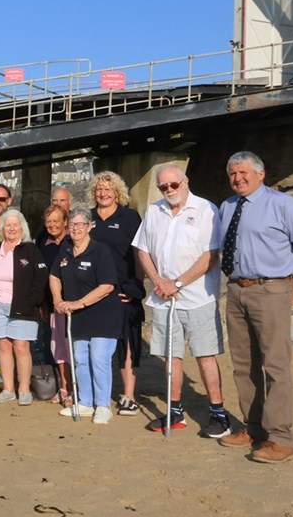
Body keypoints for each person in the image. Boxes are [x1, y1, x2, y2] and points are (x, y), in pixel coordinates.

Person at [217, 151, 293, 463]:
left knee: (275, 365)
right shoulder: (227, 206)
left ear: (261, 174)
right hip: (236, 291)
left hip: (271, 289)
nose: (238, 178)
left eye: (244, 172)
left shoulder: (282, 204)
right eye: (233, 173)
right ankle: (255, 427)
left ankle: (282, 437)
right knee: (244, 365)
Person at [132, 165, 229, 436]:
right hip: (163, 299)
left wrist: (177, 283)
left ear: (185, 181)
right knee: (170, 357)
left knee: (205, 356)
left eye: (174, 184)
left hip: (198, 298)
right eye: (163, 187)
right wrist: (158, 282)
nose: (169, 190)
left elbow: (211, 255)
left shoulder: (206, 209)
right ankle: (174, 412)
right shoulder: (154, 210)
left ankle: (218, 412)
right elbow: (142, 250)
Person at [49, 209, 120, 425]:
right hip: (76, 317)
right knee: (80, 359)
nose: (75, 228)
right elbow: (54, 276)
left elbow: (107, 286)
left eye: (80, 224)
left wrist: (79, 303)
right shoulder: (66, 249)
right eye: (72, 224)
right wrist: (57, 300)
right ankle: (86, 402)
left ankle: (103, 405)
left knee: (99, 359)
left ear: (90, 226)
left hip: (102, 316)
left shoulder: (101, 251)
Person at [88, 171, 144, 417]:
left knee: (127, 343)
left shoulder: (130, 217)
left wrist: (137, 287)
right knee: (93, 343)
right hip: (93, 289)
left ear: (117, 192)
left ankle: (128, 396)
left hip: (123, 289)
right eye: (99, 189)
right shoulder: (87, 217)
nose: (103, 193)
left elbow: (140, 254)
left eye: (108, 189)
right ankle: (92, 394)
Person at [0, 209, 49, 406]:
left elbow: (40, 277)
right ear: (2, 227)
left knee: (21, 346)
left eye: (15, 225)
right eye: (7, 224)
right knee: (3, 345)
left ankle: (24, 389)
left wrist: (32, 301)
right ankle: (8, 389)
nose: (11, 228)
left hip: (22, 306)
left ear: (22, 227)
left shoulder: (30, 249)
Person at [37, 205, 72, 406]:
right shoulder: (45, 245)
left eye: (56, 220)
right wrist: (43, 303)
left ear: (65, 221)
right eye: (48, 221)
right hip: (53, 306)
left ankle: (78, 390)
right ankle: (65, 388)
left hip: (76, 306)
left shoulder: (73, 242)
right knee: (59, 349)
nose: (52, 225)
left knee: (76, 349)